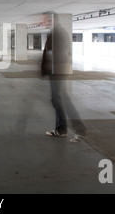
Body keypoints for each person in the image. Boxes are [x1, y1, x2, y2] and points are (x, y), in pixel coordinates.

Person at [41, 12, 87, 142]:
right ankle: (61, 129)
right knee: (58, 100)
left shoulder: (59, 33)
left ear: (52, 20)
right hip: (57, 71)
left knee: (61, 101)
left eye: (46, 20)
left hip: (57, 72)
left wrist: (51, 70)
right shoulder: (56, 32)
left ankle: (80, 130)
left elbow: (60, 53)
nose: (44, 22)